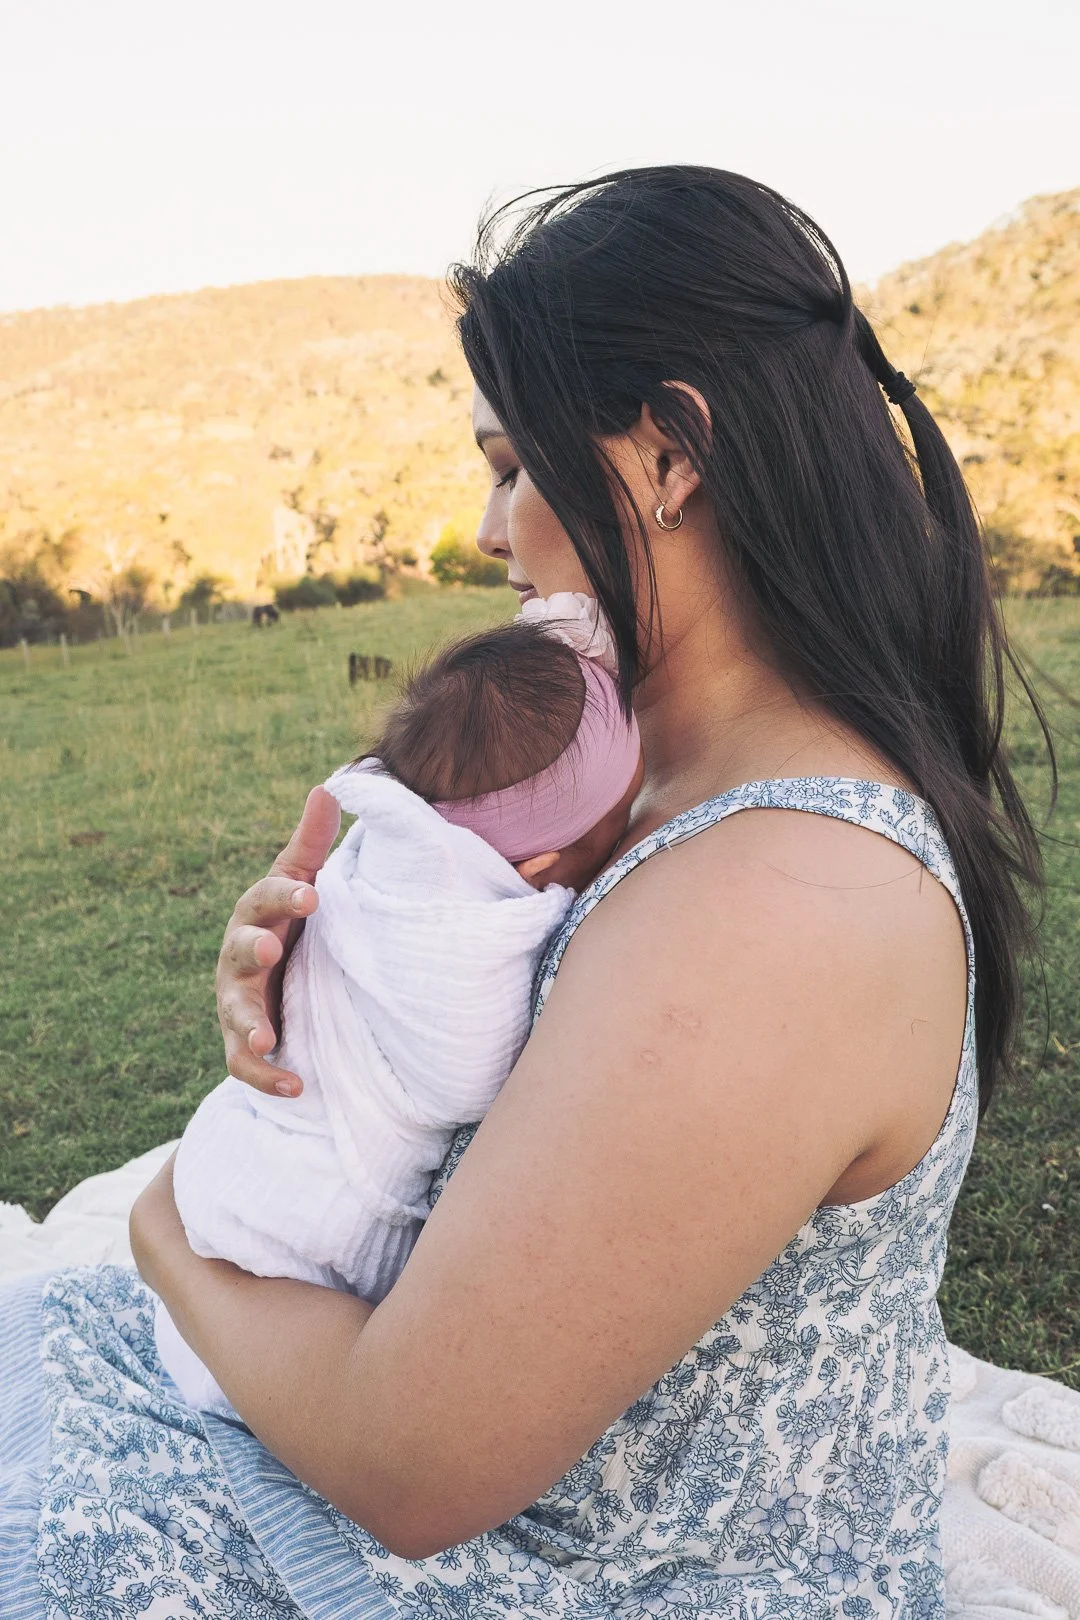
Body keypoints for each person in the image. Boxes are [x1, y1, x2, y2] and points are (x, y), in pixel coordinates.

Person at [1, 166, 1046, 1619]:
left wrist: (166, 1230)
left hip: (598, 1570)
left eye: (511, 461)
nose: (492, 530)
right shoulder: (664, 785)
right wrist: (350, 991)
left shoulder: (782, 899)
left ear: (672, 459)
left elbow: (414, 1466)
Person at [155, 617, 642, 1416]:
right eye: (617, 824)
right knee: (241, 1381)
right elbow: (459, 1081)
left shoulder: (401, 832)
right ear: (544, 864)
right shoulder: (455, 927)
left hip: (229, 1158)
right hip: (305, 1220)